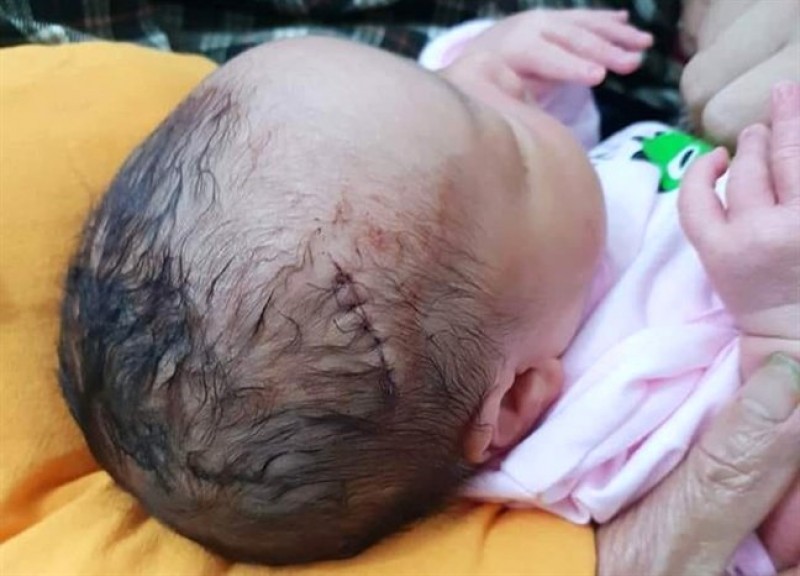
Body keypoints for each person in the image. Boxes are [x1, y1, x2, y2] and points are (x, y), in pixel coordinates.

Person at [55, 7, 799, 572]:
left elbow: (443, 162)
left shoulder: (512, 285)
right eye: (507, 140)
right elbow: (768, 504)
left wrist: (483, 62)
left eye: (432, 82)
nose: (489, 90)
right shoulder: (599, 433)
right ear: (516, 400)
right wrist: (776, 316)